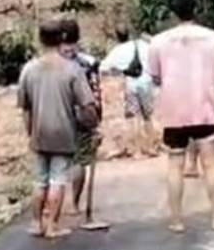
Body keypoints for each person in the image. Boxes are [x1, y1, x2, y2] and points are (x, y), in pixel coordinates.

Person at [148, 0, 214, 232]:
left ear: (173, 12)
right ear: (196, 8)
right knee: (210, 163)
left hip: (173, 110)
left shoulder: (158, 41)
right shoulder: (213, 38)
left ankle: (176, 220)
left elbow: (155, 76)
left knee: (175, 165)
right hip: (204, 107)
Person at [17, 20, 98, 238]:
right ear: (61, 39)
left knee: (39, 180)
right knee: (57, 179)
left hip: (39, 131)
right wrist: (93, 125)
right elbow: (87, 104)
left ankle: (36, 223)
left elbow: (25, 107)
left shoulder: (29, 69)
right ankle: (52, 225)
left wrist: (29, 132)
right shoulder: (72, 70)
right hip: (63, 132)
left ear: (40, 40)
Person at [60, 18, 103, 215]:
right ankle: (74, 204)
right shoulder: (88, 62)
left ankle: (52, 205)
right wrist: (96, 122)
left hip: (54, 117)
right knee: (78, 161)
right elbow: (95, 93)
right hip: (82, 116)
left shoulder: (48, 63)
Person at [100, 25, 157, 157]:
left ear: (117, 37)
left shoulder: (117, 51)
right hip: (146, 82)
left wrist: (118, 70)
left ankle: (137, 151)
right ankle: (151, 147)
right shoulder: (142, 45)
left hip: (130, 84)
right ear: (129, 33)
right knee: (148, 117)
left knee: (133, 118)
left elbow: (104, 67)